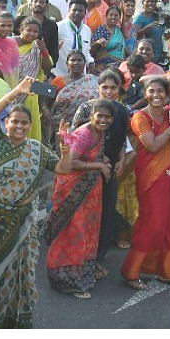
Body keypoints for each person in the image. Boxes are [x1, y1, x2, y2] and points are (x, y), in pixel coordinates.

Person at [0, 78, 59, 328]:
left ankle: (10, 317)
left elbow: (62, 167)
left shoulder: (36, 148)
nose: (19, 126)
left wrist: (66, 145)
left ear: (30, 126)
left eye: (24, 122)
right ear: (6, 123)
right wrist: (16, 92)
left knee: (22, 272)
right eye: (14, 121)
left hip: (23, 221)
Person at [121, 77, 170, 290]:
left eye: (161, 91)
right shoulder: (140, 117)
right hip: (151, 176)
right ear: (145, 93)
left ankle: (169, 272)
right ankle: (131, 271)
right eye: (152, 91)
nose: (157, 95)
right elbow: (152, 146)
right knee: (153, 222)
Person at [47, 100, 113, 298]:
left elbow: (91, 156)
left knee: (87, 230)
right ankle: (65, 279)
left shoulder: (99, 132)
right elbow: (71, 162)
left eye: (107, 116)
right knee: (73, 231)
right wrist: (99, 166)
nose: (103, 119)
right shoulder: (85, 134)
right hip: (74, 189)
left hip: (90, 189)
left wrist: (102, 161)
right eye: (99, 115)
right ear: (91, 116)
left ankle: (83, 270)